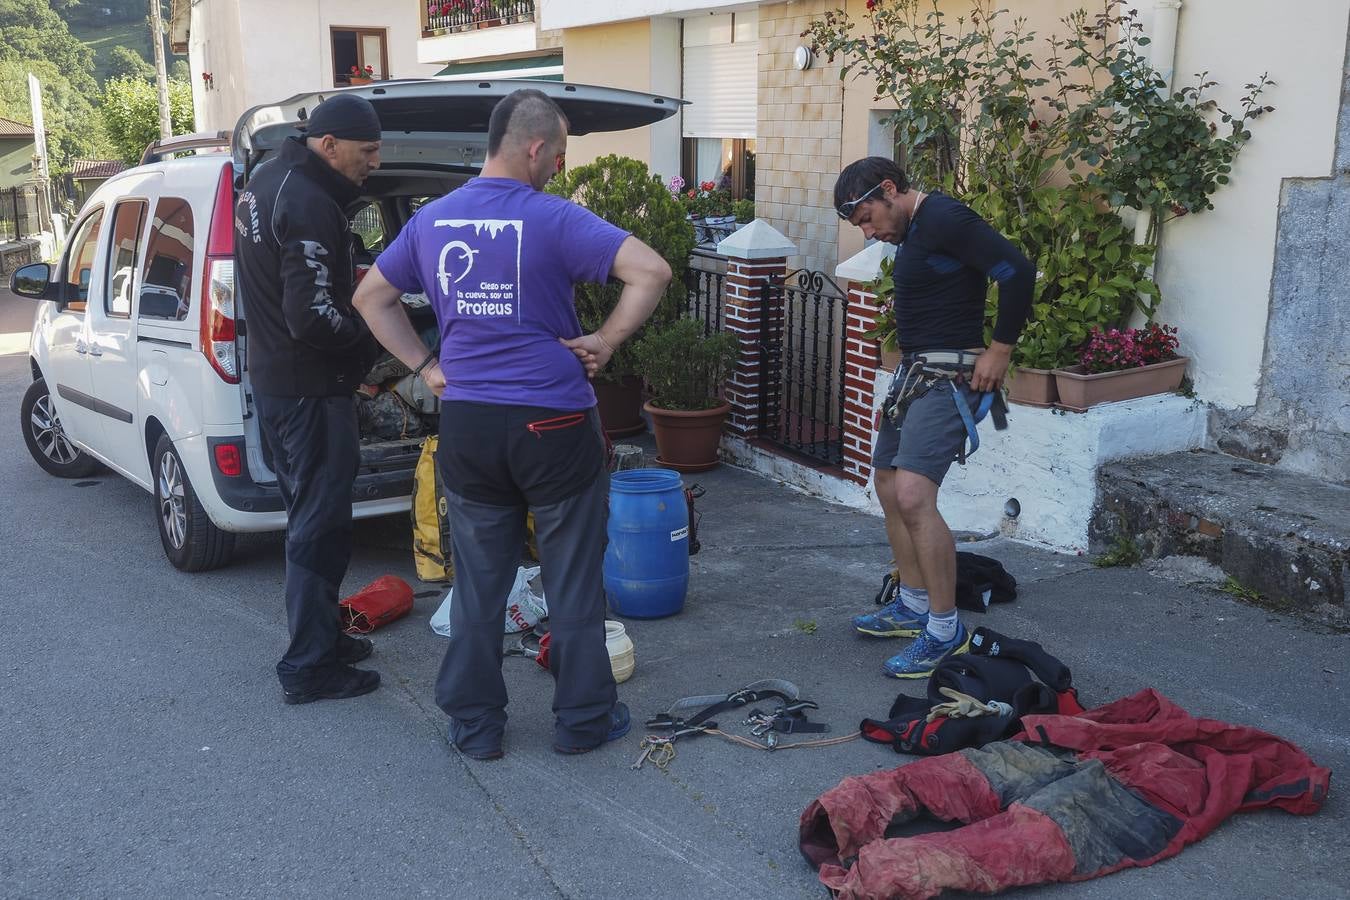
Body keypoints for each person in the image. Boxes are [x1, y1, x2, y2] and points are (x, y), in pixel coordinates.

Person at [353, 88, 672, 759]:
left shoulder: (433, 220)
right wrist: (606, 340)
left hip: (469, 424)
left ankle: (475, 728)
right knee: (573, 581)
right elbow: (651, 270)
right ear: (534, 149)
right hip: (553, 425)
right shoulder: (554, 219)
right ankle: (584, 721)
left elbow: (370, 297)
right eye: (557, 154)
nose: (558, 166)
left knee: (478, 583)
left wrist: (425, 365)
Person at [836, 156, 1034, 678]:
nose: (868, 231)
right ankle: (913, 604)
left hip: (952, 375)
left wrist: (1000, 350)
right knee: (885, 482)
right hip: (917, 374)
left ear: (889, 188)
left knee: (913, 494)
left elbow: (1017, 270)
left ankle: (945, 631)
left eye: (867, 217)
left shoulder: (944, 217)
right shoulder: (916, 231)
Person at [234, 94, 385, 704]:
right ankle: (310, 665)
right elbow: (315, 317)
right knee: (319, 529)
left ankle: (322, 636)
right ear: (329, 145)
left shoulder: (267, 179)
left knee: (308, 519)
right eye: (367, 151)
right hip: (311, 391)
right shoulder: (309, 202)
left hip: (276, 385)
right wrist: (372, 343)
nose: (376, 161)